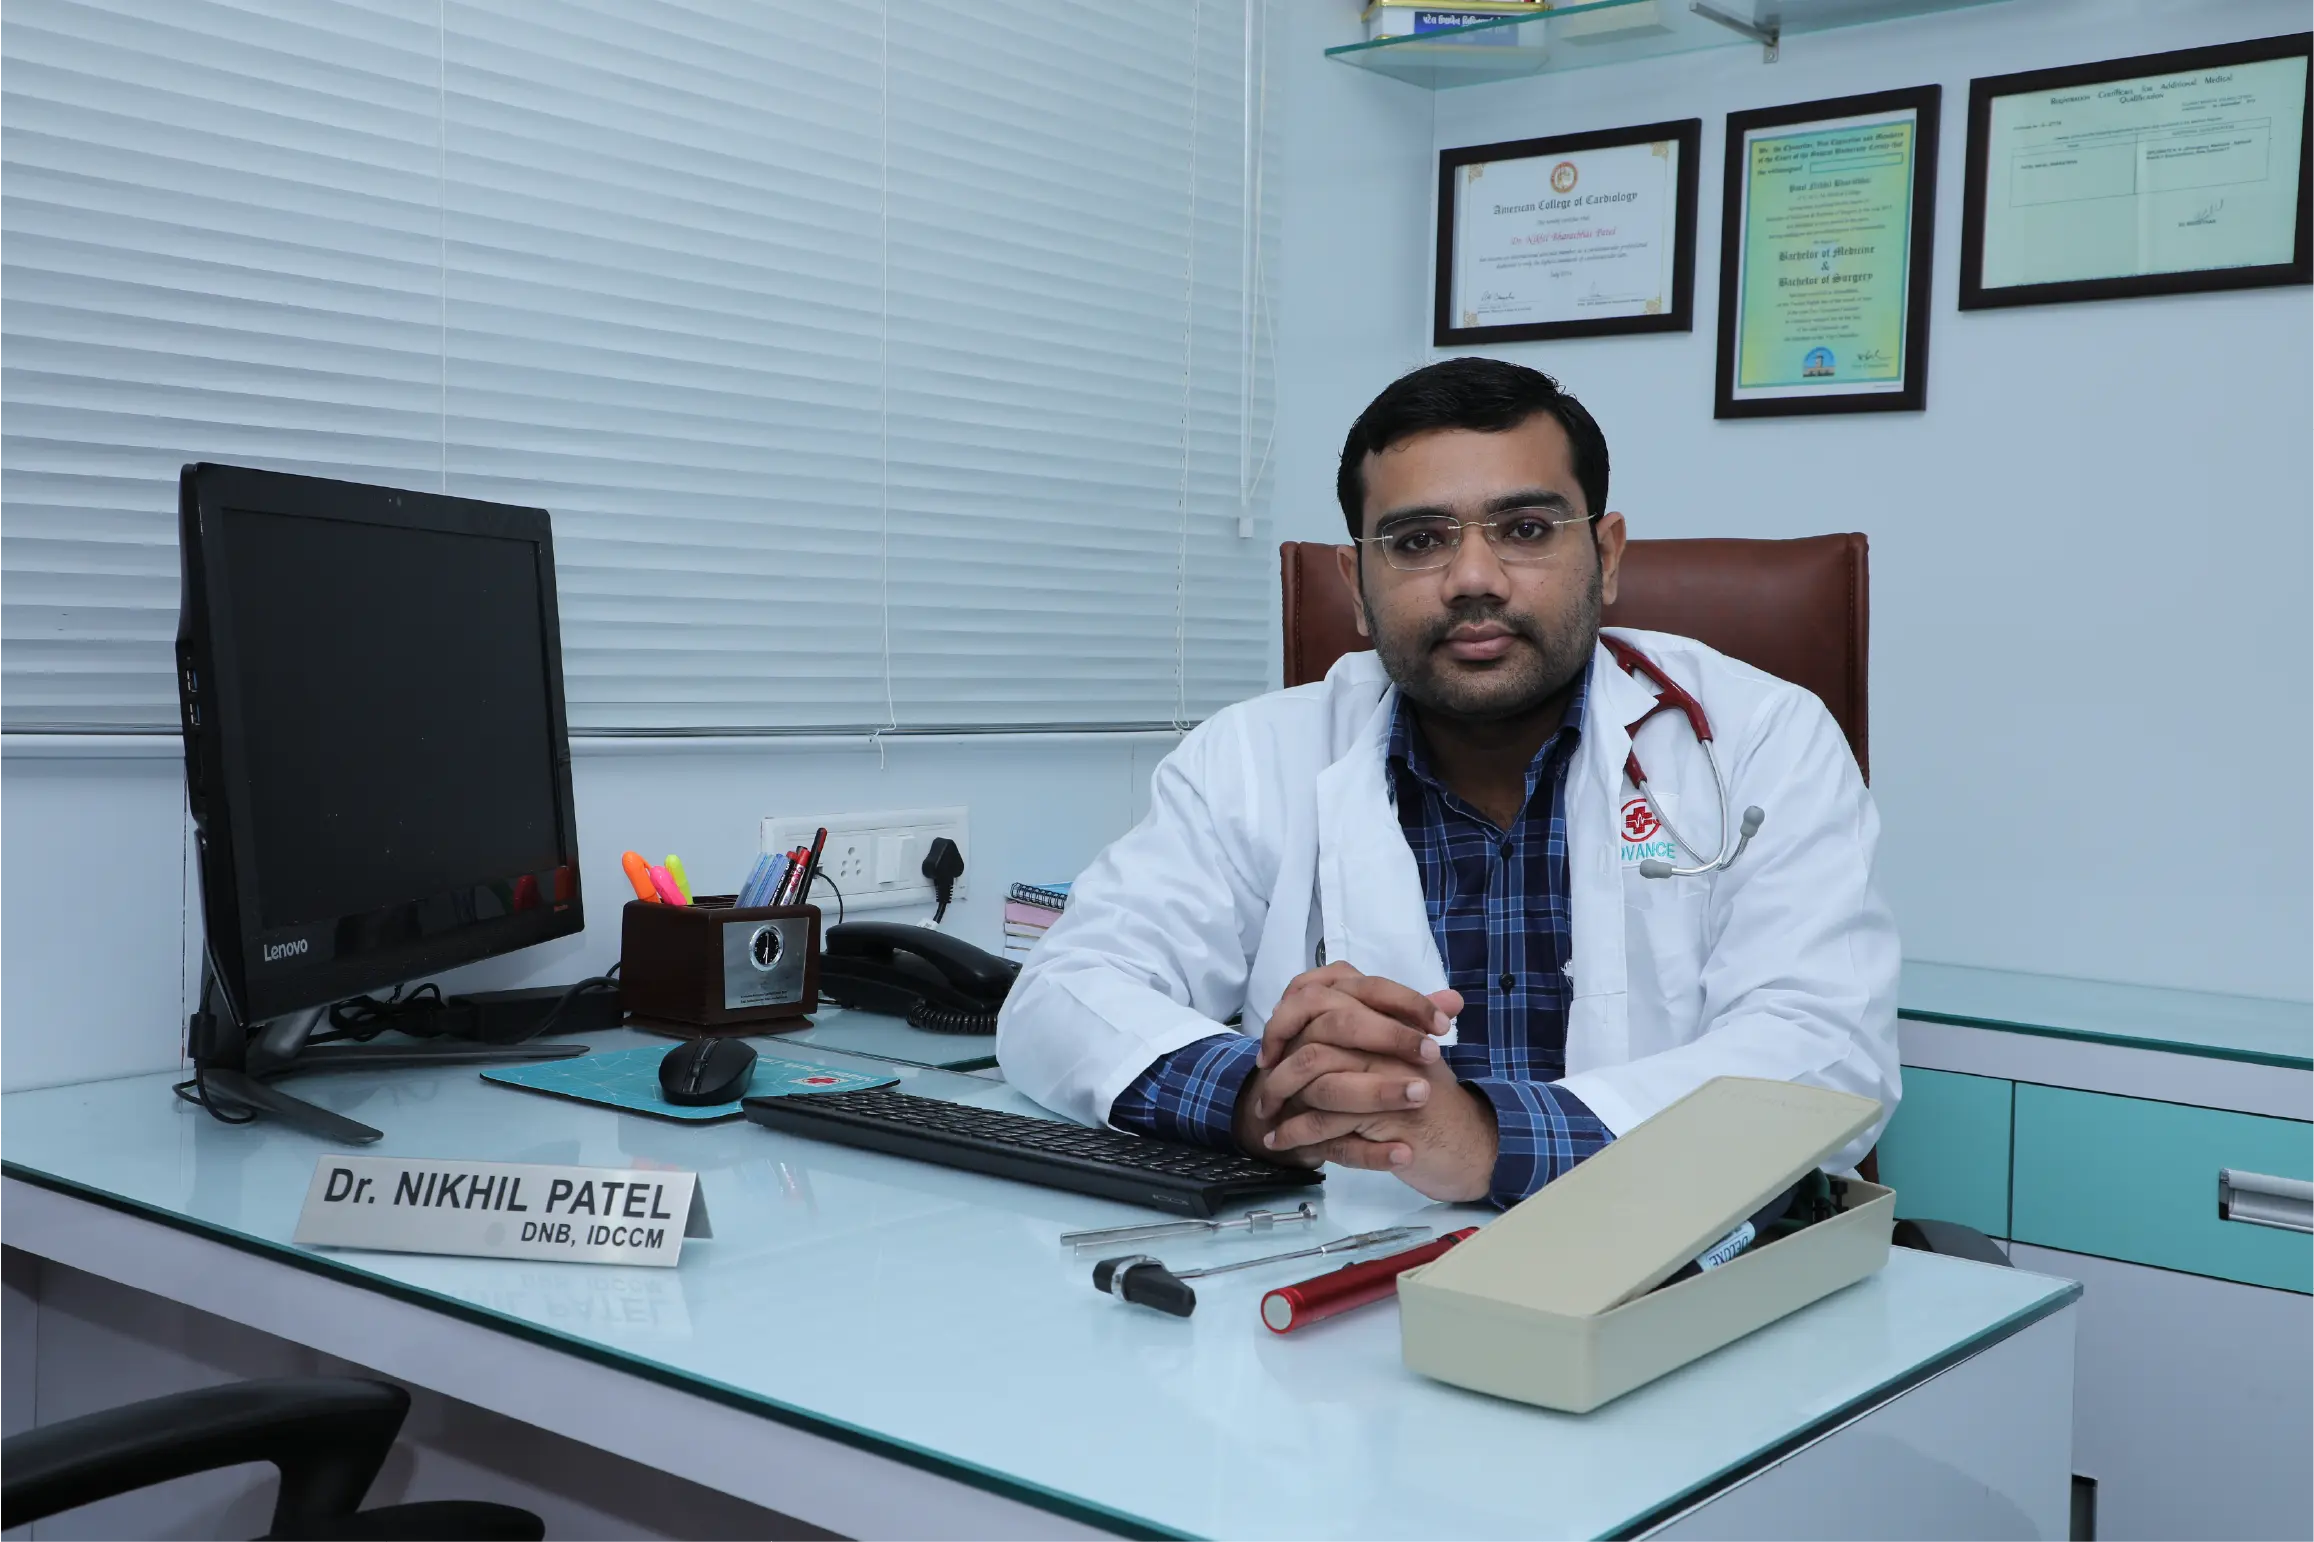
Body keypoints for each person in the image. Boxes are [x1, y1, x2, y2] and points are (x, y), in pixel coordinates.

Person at [996, 358, 1899, 1205]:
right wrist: (1263, 1097)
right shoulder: (1250, 757)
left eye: (1526, 530)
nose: (1473, 578)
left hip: (1670, 1245)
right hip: (1332, 1266)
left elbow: (1827, 1054)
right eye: (1419, 540)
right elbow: (1065, 991)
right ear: (1356, 583)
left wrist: (1489, 1141)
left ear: (1609, 556)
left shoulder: (1760, 739)